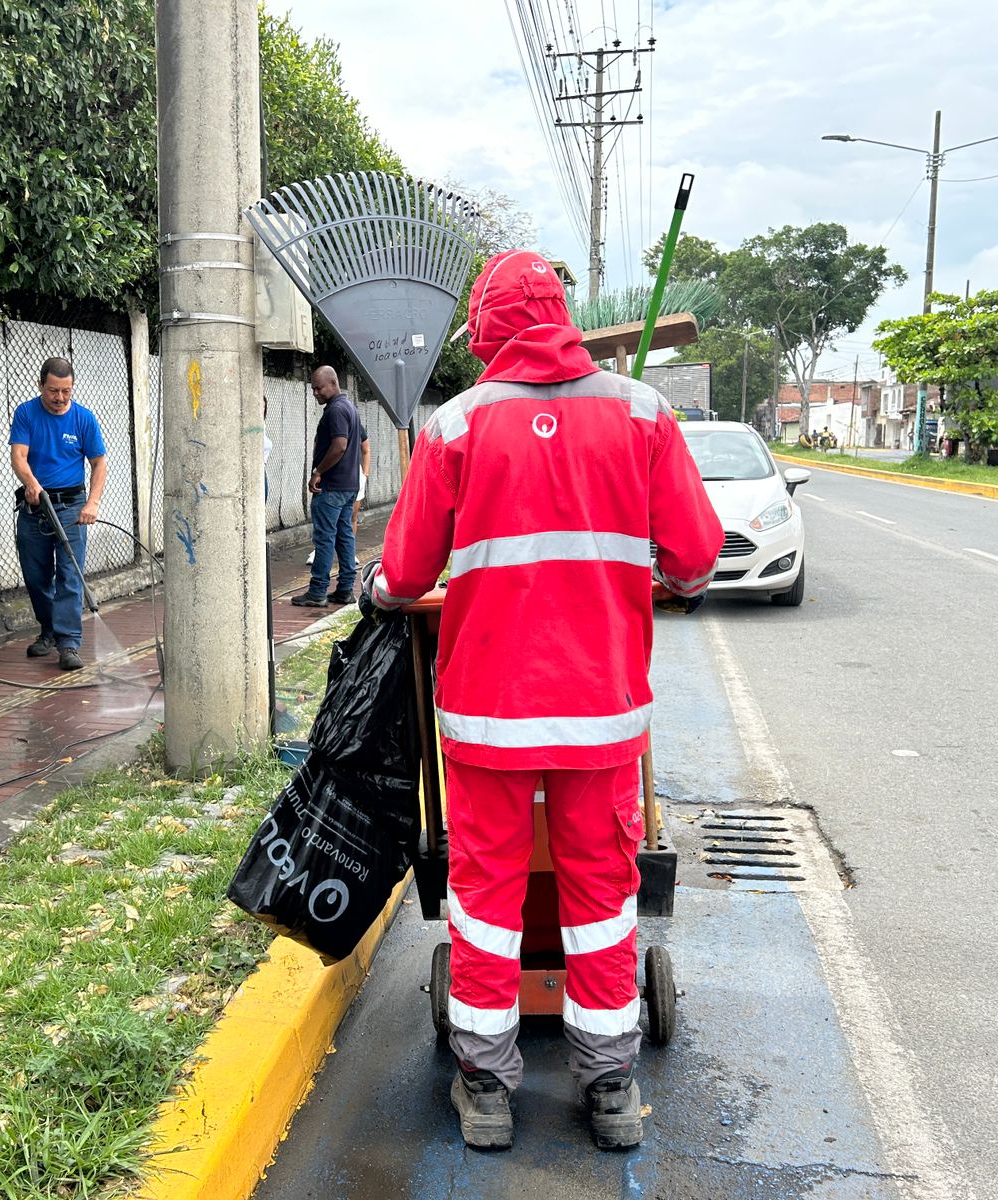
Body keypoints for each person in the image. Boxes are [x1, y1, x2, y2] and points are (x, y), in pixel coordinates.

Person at [360, 250, 722, 1152]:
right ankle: (608, 1087)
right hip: (600, 713)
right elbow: (696, 556)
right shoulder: (641, 412)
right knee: (602, 894)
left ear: (485, 330)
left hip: (489, 717)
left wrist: (375, 589)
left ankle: (485, 1084)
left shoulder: (456, 425)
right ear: (561, 313)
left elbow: (406, 573)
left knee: (484, 898)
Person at [9, 357, 108, 671]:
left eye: (66, 391)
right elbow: (19, 456)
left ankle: (68, 644)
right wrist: (31, 482)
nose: (60, 398)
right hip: (35, 506)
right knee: (36, 575)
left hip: (71, 506)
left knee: (69, 574)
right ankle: (48, 629)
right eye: (53, 391)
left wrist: (91, 504)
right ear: (41, 386)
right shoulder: (26, 413)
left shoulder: (84, 419)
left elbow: (98, 464)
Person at [293, 365, 366, 607]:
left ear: (333, 384)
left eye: (318, 387)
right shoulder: (350, 408)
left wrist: (318, 472)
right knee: (344, 536)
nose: (314, 392)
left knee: (324, 538)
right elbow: (359, 441)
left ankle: (317, 592)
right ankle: (345, 589)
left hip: (332, 486)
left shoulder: (335, 410)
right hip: (349, 486)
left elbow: (340, 445)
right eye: (313, 388)